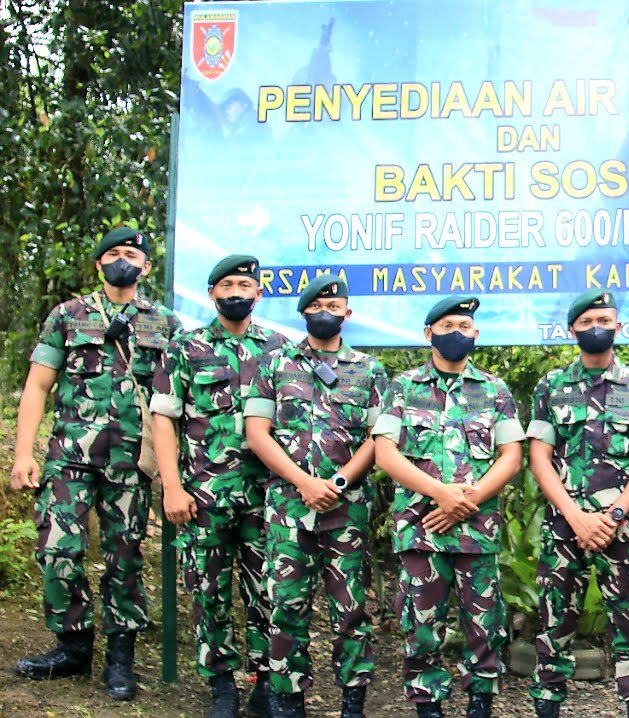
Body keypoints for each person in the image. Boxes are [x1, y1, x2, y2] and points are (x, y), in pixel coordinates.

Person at [9, 226, 180, 700]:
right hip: (70, 457)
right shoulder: (68, 315)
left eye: (131, 254)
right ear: (98, 264)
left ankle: (120, 659)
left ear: (146, 266)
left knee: (124, 557)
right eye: (113, 253)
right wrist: (24, 453)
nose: (122, 260)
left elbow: (173, 400)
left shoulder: (164, 324)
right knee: (57, 551)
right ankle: (73, 645)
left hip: (130, 461)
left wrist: (173, 471)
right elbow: (38, 385)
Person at [373, 296, 524, 718]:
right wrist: (440, 493)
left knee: (484, 623)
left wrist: (466, 500)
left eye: (464, 325)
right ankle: (427, 703)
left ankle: (481, 700)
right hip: (422, 527)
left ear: (475, 333)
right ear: (428, 334)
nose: (456, 333)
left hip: (476, 527)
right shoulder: (402, 387)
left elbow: (511, 456)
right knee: (421, 622)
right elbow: (385, 454)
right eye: (446, 326)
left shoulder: (495, 390)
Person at [150, 255, 287, 717]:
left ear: (258, 294)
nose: (235, 292)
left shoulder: (280, 350)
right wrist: (171, 485)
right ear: (211, 294)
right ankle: (222, 687)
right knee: (208, 592)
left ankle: (267, 683)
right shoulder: (184, 348)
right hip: (203, 497)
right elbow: (164, 419)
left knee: (267, 589)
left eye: (244, 285)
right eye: (226, 284)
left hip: (265, 497)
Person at [244, 274, 387, 718]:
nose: (327, 311)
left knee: (350, 612)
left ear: (349, 313)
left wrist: (339, 482)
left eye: (335, 305)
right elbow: (256, 433)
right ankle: (288, 703)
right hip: (288, 509)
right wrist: (303, 482)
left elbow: (377, 439)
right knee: (285, 607)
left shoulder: (369, 370)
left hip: (347, 511)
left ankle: (352, 703)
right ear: (304, 312)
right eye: (317, 306)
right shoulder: (274, 363)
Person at [526, 290, 629, 718]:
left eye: (604, 319)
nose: (595, 328)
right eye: (586, 322)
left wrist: (615, 514)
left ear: (618, 326)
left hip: (622, 528)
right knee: (554, 626)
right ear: (571, 330)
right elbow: (539, 457)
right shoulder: (551, 385)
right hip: (564, 529)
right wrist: (575, 517)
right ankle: (548, 704)